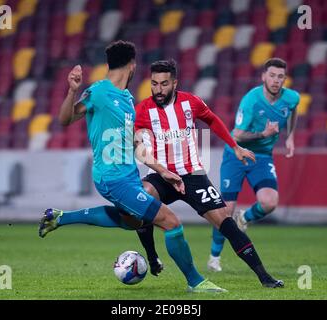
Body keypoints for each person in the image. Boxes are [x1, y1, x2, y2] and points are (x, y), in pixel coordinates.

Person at [38, 40, 225, 293]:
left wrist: (162, 171)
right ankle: (196, 281)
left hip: (129, 176)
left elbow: (136, 144)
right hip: (112, 178)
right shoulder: (98, 92)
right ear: (132, 65)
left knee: (133, 223)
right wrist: (72, 91)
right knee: (171, 222)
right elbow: (65, 119)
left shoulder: (126, 98)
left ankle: (59, 218)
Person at [133, 59, 284, 288]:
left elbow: (212, 120)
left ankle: (265, 277)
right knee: (143, 197)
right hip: (162, 176)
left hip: (193, 175)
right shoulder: (143, 109)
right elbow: (138, 147)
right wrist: (160, 169)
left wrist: (235, 146)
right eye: (154, 84)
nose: (158, 89)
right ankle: (153, 258)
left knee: (225, 222)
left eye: (164, 84)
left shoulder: (190, 102)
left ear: (175, 83)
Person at [207, 57, 299, 272]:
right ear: (263, 77)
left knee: (269, 202)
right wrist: (263, 134)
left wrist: (290, 136)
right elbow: (237, 135)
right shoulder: (251, 100)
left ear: (285, 79)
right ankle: (214, 257)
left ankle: (244, 218)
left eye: (281, 77)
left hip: (262, 157)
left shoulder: (292, 97)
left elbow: (294, 111)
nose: (276, 81)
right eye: (272, 76)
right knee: (224, 211)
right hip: (236, 154)